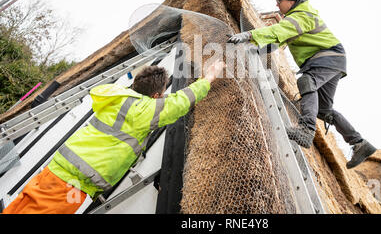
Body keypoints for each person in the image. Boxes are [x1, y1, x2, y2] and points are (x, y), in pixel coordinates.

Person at [3, 59, 225, 214]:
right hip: (70, 185)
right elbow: (180, 102)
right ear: (156, 96)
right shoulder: (142, 109)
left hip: (53, 173)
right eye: (160, 97)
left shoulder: (118, 99)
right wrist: (210, 77)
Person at [228, 0, 376, 169]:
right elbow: (279, 40)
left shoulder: (301, 15)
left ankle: (306, 129)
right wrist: (257, 49)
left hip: (326, 57)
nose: (277, 5)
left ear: (290, 0)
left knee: (307, 81)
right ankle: (359, 143)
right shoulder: (297, 18)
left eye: (279, 0)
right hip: (333, 60)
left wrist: (248, 35)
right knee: (323, 110)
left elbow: (277, 31)